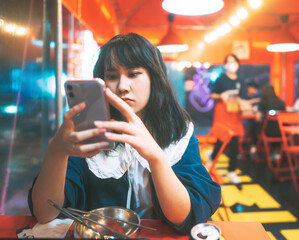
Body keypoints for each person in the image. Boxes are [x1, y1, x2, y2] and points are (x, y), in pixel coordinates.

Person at [28, 33, 221, 234]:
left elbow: (184, 217)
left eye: (133, 73)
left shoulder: (177, 129)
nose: (122, 87)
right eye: (112, 76)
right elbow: (45, 213)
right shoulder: (89, 131)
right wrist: (56, 151)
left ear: (154, 77)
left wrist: (156, 157)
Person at [209, 54, 246, 184]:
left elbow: (242, 97)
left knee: (235, 143)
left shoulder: (241, 81)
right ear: (225, 65)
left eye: (233, 61)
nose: (231, 64)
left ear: (238, 63)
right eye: (228, 62)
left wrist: (243, 103)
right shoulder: (221, 79)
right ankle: (212, 158)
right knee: (221, 139)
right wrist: (220, 95)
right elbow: (212, 95)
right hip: (222, 113)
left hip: (235, 114)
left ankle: (231, 171)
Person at [255, 85, 286, 160]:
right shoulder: (281, 102)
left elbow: (258, 118)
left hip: (267, 131)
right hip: (281, 132)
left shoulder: (262, 102)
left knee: (255, 127)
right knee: (275, 128)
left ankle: (255, 149)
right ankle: (276, 151)